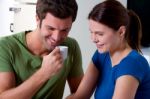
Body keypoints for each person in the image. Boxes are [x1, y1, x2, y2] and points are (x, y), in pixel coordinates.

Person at [66, 0, 150, 99]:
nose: (93, 39)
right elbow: (80, 97)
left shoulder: (131, 63)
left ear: (121, 32)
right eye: (91, 32)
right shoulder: (101, 55)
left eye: (100, 34)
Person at [0, 0, 83, 99]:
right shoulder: (5, 46)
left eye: (64, 30)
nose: (56, 37)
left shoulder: (71, 46)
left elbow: (79, 93)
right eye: (50, 28)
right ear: (37, 19)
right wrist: (44, 73)